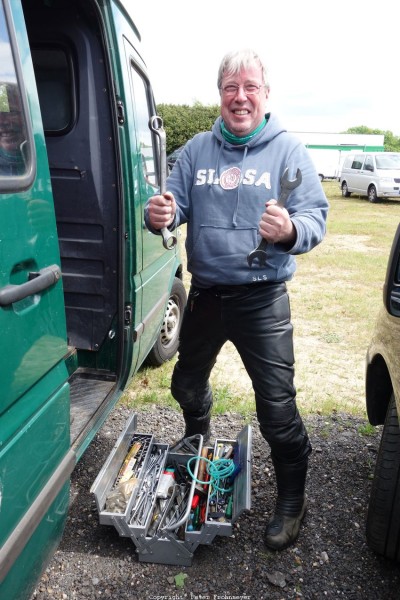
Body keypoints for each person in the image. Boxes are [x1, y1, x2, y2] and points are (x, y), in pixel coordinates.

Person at [145, 49, 329, 551]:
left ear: (266, 95)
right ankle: (198, 441)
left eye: (250, 86)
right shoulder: (198, 150)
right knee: (185, 385)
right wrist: (158, 213)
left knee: (276, 410)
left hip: (263, 299)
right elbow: (170, 206)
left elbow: (316, 218)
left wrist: (291, 229)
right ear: (221, 95)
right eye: (230, 87)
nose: (240, 96)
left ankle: (292, 501)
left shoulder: (288, 151)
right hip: (205, 295)